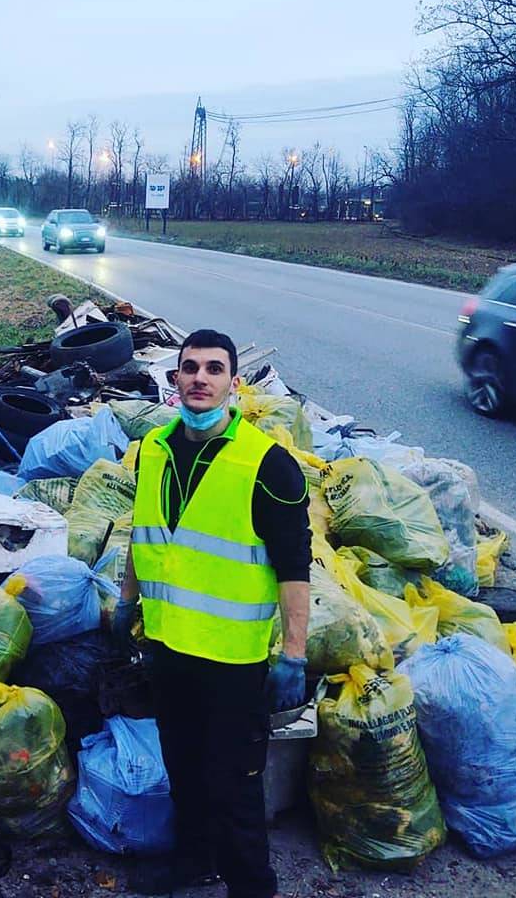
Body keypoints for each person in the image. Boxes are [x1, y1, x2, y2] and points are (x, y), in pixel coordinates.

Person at [113, 328, 311, 898]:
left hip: (232, 659)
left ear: (234, 383)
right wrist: (127, 601)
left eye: (214, 369)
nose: (200, 378)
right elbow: (144, 535)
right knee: (184, 771)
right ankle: (194, 863)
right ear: (174, 379)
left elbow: (294, 566)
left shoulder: (267, 465)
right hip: (169, 647)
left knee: (234, 787)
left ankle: (253, 886)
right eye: (190, 367)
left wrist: (293, 654)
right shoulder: (153, 449)